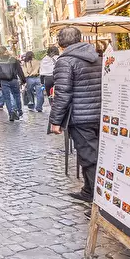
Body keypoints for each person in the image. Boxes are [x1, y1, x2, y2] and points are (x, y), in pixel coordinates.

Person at [49, 27, 103, 203]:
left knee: (89, 158)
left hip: (80, 116)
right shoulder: (95, 57)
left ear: (61, 42)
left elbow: (63, 93)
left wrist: (55, 121)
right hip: (98, 113)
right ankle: (88, 191)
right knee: (89, 154)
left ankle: (99, 203)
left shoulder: (65, 61)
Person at [0, 47, 26, 121]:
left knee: (7, 98)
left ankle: (11, 114)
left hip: (3, 81)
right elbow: (20, 71)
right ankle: (20, 113)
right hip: (14, 80)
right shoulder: (14, 59)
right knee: (17, 96)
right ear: (6, 51)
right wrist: (23, 80)